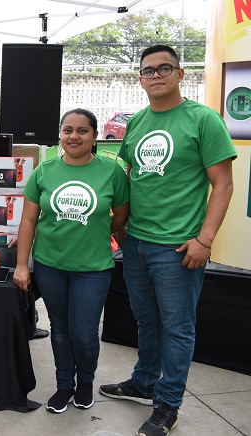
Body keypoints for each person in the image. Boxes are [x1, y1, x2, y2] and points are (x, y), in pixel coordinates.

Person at [98, 45, 236, 436]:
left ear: (180, 74)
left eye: (164, 68)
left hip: (178, 247)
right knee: (146, 320)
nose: (156, 75)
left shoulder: (203, 120)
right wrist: (121, 228)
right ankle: (144, 382)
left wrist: (205, 239)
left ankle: (167, 404)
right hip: (137, 242)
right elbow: (129, 179)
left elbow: (223, 184)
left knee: (177, 327)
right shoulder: (138, 122)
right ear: (140, 78)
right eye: (148, 70)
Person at [13, 108, 130, 414]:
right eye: (67, 130)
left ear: (94, 137)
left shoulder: (111, 171)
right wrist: (23, 264)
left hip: (93, 269)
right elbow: (28, 220)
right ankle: (65, 384)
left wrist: (99, 231)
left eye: (82, 131)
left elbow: (121, 214)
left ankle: (86, 382)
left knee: (84, 332)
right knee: (60, 329)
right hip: (51, 265)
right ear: (60, 134)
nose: (73, 136)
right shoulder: (44, 172)